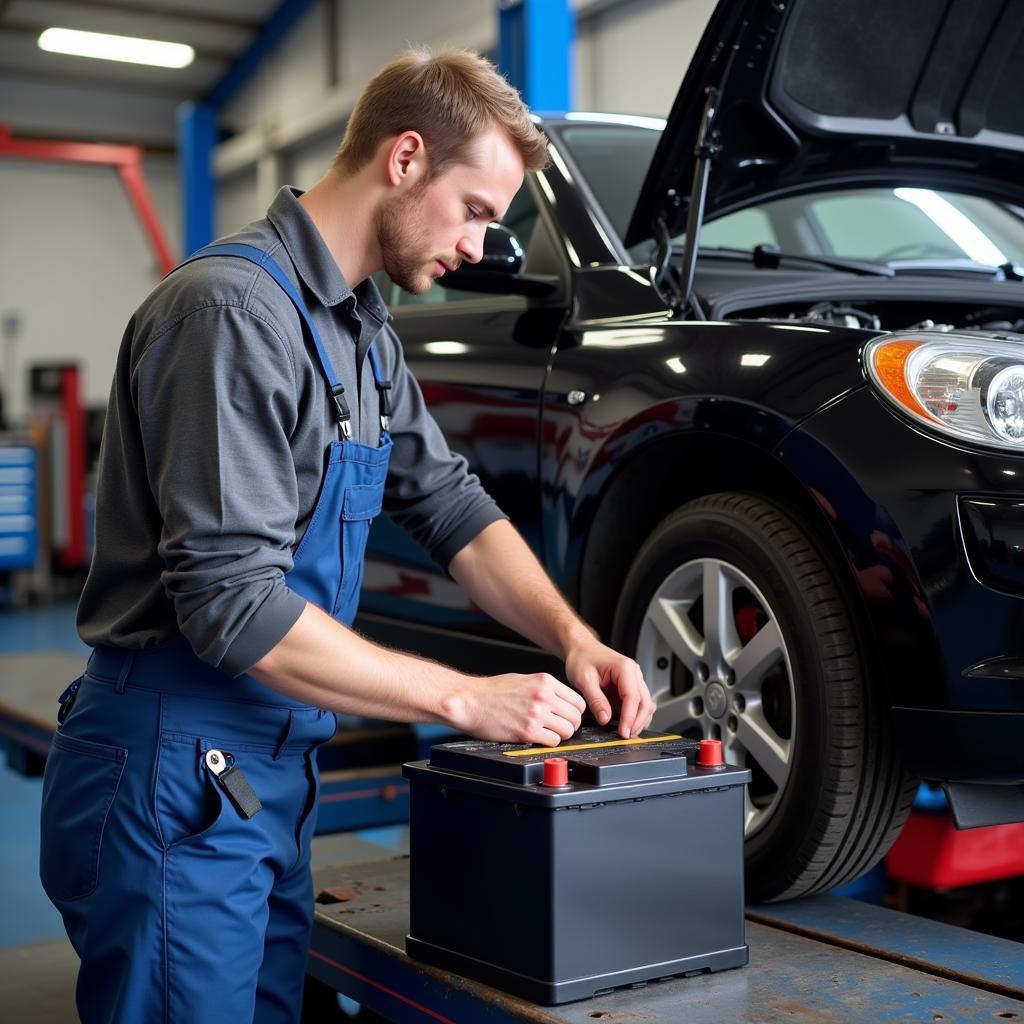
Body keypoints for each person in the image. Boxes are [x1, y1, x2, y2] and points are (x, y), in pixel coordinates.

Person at [40, 47, 655, 1023]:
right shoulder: (232, 313)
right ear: (405, 159)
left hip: (264, 775)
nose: (481, 246)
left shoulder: (364, 335)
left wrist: (571, 638)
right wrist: (465, 696)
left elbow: (449, 505)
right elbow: (232, 607)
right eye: (478, 211)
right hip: (175, 760)